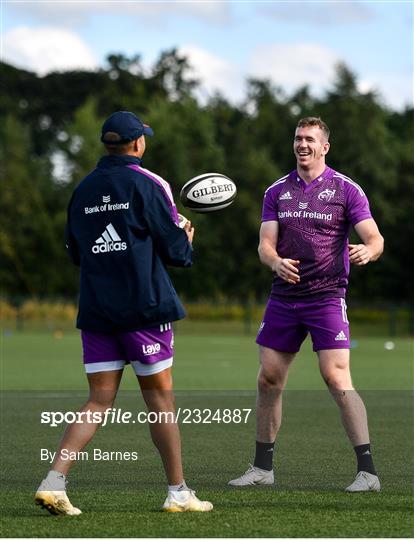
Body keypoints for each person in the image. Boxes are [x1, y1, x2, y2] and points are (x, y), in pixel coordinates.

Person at [35, 111, 213, 514]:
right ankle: (178, 492)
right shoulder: (150, 183)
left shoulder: (82, 189)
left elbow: (76, 254)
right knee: (161, 403)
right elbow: (176, 253)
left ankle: (54, 482)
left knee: (98, 401)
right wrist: (186, 236)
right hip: (145, 312)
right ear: (138, 144)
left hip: (98, 311)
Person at [229, 117, 384, 492]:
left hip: (327, 297)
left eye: (310, 139)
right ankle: (262, 469)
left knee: (336, 376)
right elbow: (266, 244)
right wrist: (275, 261)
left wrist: (369, 250)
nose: (303, 144)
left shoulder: (346, 189)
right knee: (268, 380)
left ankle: (368, 472)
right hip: (284, 298)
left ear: (324, 146)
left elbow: (375, 237)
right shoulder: (276, 191)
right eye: (298, 138)